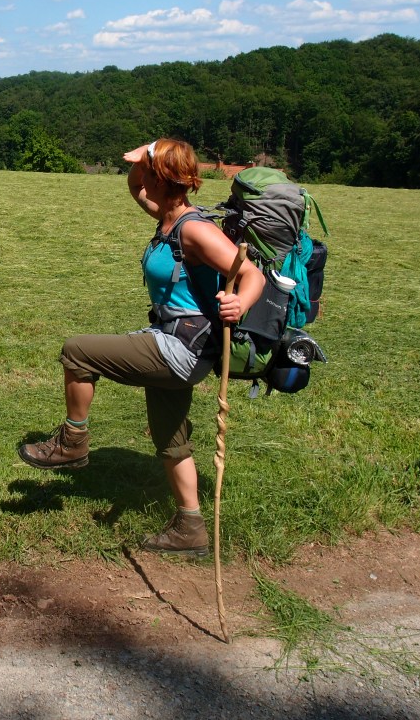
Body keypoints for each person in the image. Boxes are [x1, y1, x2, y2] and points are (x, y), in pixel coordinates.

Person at [17, 138, 264, 556]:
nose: (142, 180)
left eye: (149, 172)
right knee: (171, 438)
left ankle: (72, 443)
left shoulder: (195, 229)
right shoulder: (166, 217)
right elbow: (134, 187)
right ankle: (191, 528)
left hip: (182, 349)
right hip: (173, 341)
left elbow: (252, 275)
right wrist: (145, 153)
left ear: (163, 179)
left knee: (77, 351)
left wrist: (241, 302)